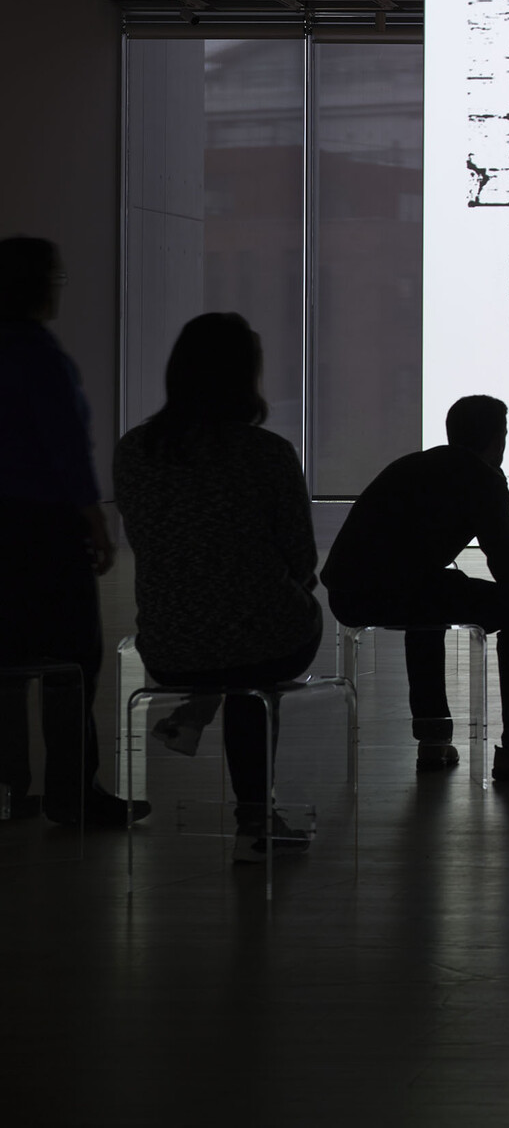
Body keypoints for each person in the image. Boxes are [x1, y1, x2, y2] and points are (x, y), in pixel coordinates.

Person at [114, 313, 323, 863]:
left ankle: (197, 708)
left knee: (230, 644)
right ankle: (255, 821)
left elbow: (150, 542)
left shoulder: (135, 450)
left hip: (171, 645)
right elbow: (301, 558)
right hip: (265, 640)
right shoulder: (267, 453)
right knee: (258, 653)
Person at [321, 396, 509, 783]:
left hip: (349, 593)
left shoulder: (414, 464)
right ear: (497, 440)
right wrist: (500, 497)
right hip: (404, 589)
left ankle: (434, 740)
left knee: (431, 600)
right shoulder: (482, 478)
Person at [0, 236, 144, 827]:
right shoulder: (38, 354)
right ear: (39, 285)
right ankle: (71, 791)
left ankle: (9, 790)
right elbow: (64, 445)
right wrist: (94, 516)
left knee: (7, 661)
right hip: (43, 527)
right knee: (73, 658)